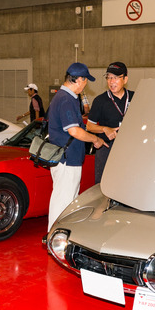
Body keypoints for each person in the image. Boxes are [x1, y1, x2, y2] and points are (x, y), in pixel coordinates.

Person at [47, 63, 106, 230]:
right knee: (63, 201)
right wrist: (95, 139)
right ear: (78, 79)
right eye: (85, 80)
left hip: (68, 158)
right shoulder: (66, 99)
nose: (86, 84)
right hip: (66, 160)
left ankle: (60, 234)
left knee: (67, 200)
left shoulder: (66, 97)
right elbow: (74, 131)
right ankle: (54, 235)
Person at [87, 61, 133, 183]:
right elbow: (89, 126)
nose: (112, 81)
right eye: (109, 77)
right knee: (103, 184)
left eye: (116, 77)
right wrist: (104, 129)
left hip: (129, 148)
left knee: (127, 182)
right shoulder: (100, 101)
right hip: (106, 148)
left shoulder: (135, 97)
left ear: (125, 79)